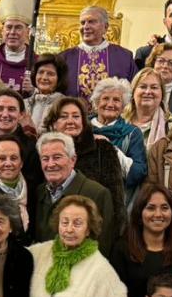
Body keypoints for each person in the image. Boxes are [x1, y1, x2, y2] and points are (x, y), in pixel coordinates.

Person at [47, 96, 124, 229]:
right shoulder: (44, 153)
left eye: (76, 116)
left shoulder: (103, 150)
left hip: (95, 232)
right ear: (53, 124)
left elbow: (116, 202)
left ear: (83, 121)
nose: (70, 121)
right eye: (64, 116)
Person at [34, 131, 116, 256]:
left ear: (73, 160)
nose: (50, 164)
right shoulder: (39, 192)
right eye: (45, 159)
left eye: (57, 157)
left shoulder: (97, 194)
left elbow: (102, 247)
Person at [92, 77, 148, 202]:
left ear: (123, 107)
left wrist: (110, 148)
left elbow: (138, 172)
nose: (110, 104)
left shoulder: (132, 133)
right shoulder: (83, 128)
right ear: (96, 103)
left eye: (116, 100)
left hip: (118, 201)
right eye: (105, 98)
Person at [62, 5, 135, 99]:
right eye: (82, 23)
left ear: (106, 27)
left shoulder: (124, 57)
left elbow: (133, 91)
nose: (86, 27)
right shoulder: (65, 58)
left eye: (91, 22)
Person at [0, 0, 35, 92]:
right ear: (2, 30)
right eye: (9, 27)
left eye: (18, 27)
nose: (12, 32)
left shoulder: (37, 63)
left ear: (28, 31)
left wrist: (34, 90)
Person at [125, 67, 170, 161]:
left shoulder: (171, 128)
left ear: (162, 94)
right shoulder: (120, 122)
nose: (148, 92)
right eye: (143, 87)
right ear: (133, 92)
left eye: (154, 87)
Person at [144, 42, 172, 117]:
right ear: (153, 63)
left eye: (171, 63)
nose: (165, 66)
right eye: (161, 61)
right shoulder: (139, 92)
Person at [25, 55, 66, 131]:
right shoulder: (24, 103)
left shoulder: (64, 105)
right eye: (41, 72)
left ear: (59, 78)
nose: (44, 78)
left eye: (50, 74)